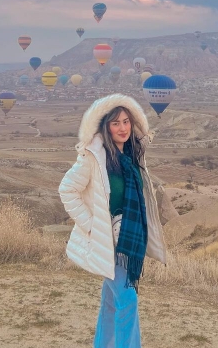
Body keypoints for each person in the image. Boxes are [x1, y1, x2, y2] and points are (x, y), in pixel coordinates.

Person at [59, 94, 167, 347]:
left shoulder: (132, 156)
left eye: (126, 122)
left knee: (112, 302)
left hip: (128, 240)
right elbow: (67, 189)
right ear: (105, 127)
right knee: (127, 300)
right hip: (110, 241)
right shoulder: (94, 157)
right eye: (116, 123)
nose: (123, 128)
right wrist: (91, 225)